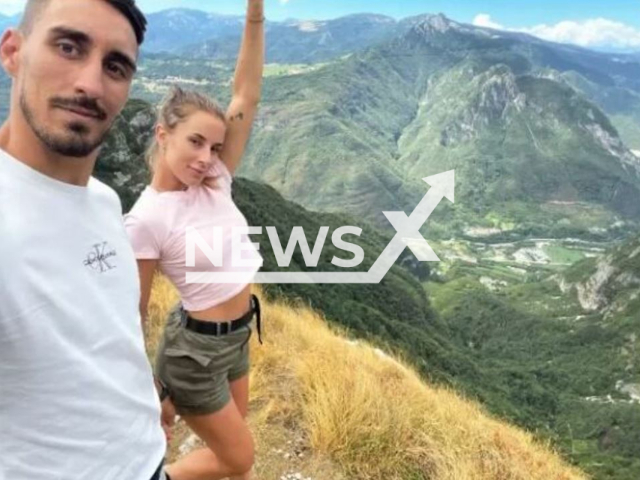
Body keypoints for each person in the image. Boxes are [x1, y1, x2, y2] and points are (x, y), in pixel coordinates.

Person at [0, 1, 169, 479]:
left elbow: (108, 331)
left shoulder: (104, 201)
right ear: (13, 51)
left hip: (150, 460)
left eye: (115, 67)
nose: (90, 84)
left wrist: (144, 403)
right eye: (68, 46)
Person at [124, 1, 265, 479]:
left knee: (234, 450)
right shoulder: (145, 219)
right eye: (195, 142)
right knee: (241, 459)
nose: (207, 158)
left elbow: (246, 94)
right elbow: (134, 315)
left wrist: (255, 16)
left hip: (238, 337)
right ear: (163, 134)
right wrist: (149, 388)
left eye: (215, 147)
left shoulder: (216, 180)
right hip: (194, 356)